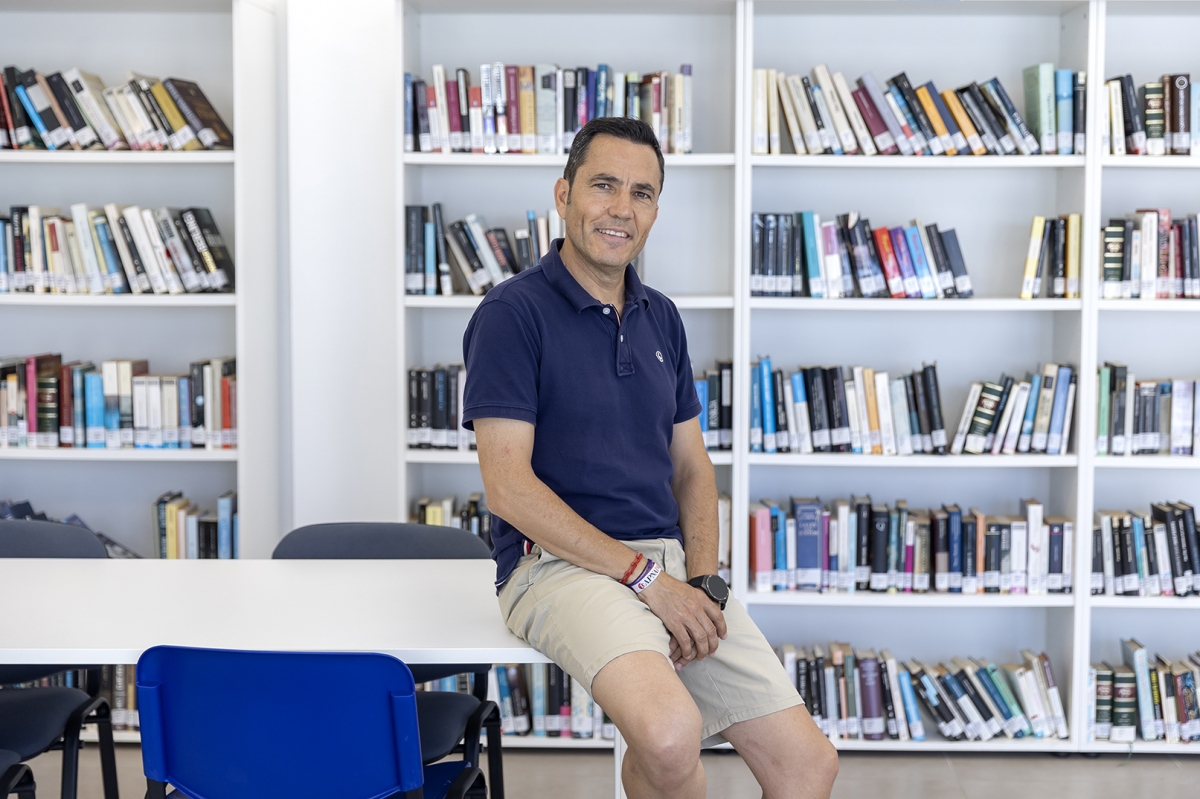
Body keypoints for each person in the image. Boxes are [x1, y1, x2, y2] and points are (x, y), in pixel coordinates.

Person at [461, 116, 837, 799]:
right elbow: (507, 487)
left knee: (809, 764)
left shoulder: (661, 316)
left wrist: (703, 582)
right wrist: (645, 580)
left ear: (655, 210)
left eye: (642, 192)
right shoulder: (511, 314)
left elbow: (692, 466)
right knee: (669, 735)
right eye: (604, 185)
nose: (621, 208)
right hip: (555, 567)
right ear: (563, 192)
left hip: (664, 562)